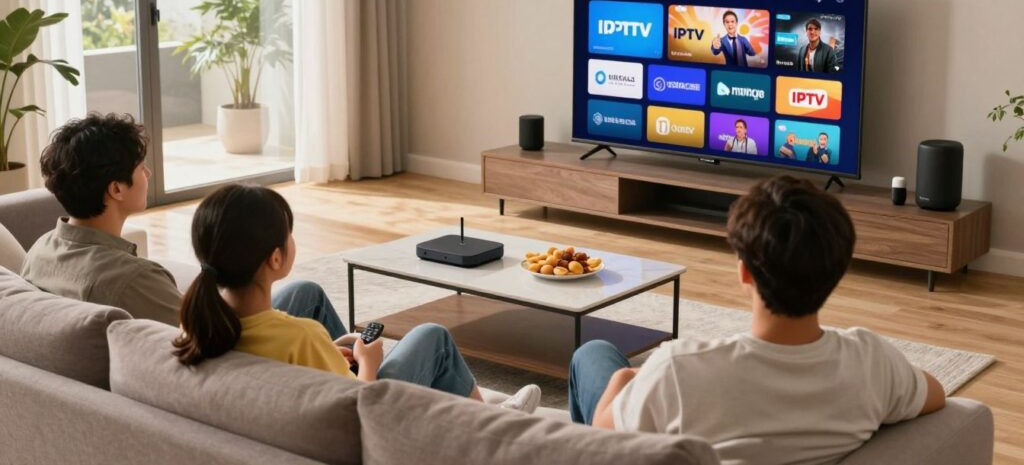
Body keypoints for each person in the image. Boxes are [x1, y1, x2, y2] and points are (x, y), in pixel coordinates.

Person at [567, 176, 945, 465]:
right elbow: (936, 394)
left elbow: (605, 443)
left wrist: (625, 379)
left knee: (593, 353)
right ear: (837, 271)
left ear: (744, 272)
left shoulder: (679, 369)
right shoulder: (871, 361)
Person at [171, 184, 541, 412]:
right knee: (433, 338)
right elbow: (356, 411)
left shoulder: (196, 325)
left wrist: (329, 352)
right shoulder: (302, 338)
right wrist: (367, 362)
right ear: (276, 259)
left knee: (306, 292)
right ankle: (493, 424)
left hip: (298, 393)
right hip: (360, 409)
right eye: (289, 233)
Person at [18, 113, 343, 338]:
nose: (147, 174)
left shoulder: (40, 249)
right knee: (307, 295)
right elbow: (209, 339)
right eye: (140, 168)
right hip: (239, 360)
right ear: (116, 189)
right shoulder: (133, 279)